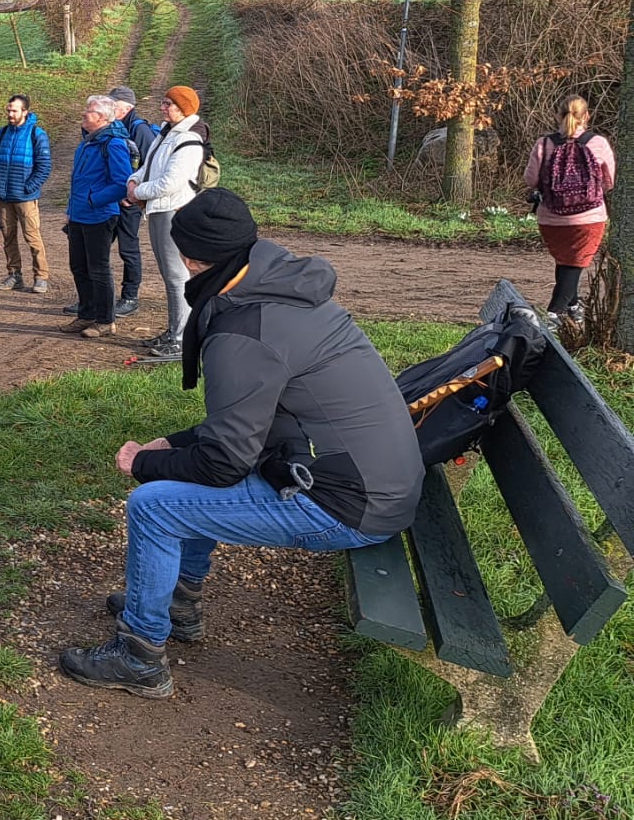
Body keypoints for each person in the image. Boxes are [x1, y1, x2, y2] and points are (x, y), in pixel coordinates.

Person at [58, 189, 424, 698]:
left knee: (155, 506)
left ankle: (139, 655)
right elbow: (256, 420)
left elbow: (223, 464)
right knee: (182, 485)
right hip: (367, 478)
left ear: (188, 257)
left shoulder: (244, 330)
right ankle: (177, 604)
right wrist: (176, 443)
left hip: (350, 505)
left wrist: (146, 462)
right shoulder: (281, 290)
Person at [127, 86, 210, 360]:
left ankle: (182, 339)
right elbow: (148, 166)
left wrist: (137, 192)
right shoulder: (166, 134)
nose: (162, 108)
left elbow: (170, 183)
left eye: (168, 104)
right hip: (159, 210)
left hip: (174, 211)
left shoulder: (188, 141)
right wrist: (134, 180)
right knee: (170, 275)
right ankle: (174, 330)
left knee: (177, 276)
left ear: (183, 108)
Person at [525, 94, 616, 328]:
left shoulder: (545, 144)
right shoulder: (598, 143)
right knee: (574, 264)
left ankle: (573, 307)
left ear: (557, 115)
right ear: (587, 116)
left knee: (566, 261)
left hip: (551, 219)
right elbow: (608, 183)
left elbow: (530, 179)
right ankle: (554, 313)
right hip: (589, 218)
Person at [65, 94, 136, 338]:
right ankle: (86, 315)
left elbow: (122, 183)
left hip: (100, 216)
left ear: (103, 118)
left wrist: (94, 200)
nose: (84, 113)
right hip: (78, 215)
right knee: (78, 267)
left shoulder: (113, 144)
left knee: (99, 269)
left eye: (89, 111)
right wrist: (71, 210)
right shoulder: (86, 142)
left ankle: (106, 321)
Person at [0, 94, 52, 293]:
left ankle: (41, 276)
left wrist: (29, 187)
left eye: (14, 110)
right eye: (8, 110)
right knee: (8, 236)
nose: (10, 114)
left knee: (32, 237)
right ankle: (14, 274)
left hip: (25, 197)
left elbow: (44, 165)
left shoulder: (36, 134)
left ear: (25, 111)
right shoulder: (2, 133)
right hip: (3, 196)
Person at [107, 86, 159, 317]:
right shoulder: (112, 127)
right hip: (111, 201)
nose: (109, 107)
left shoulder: (140, 131)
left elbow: (150, 167)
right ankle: (95, 298)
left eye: (113, 103)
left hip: (129, 203)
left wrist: (136, 197)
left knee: (128, 249)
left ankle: (130, 297)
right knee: (97, 249)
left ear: (127, 107)